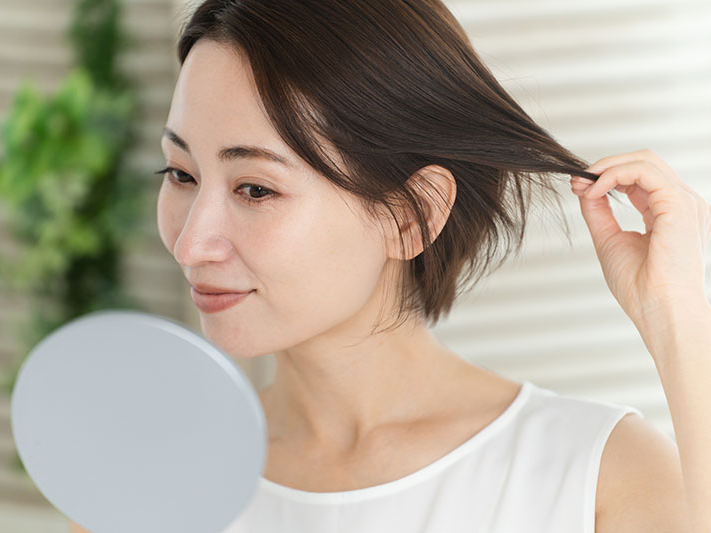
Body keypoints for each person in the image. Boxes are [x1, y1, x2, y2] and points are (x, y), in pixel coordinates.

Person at [71, 1, 710, 531]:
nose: (190, 245)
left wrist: (676, 317)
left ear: (412, 214)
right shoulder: (143, 483)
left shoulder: (599, 478)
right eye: (181, 173)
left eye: (255, 189)